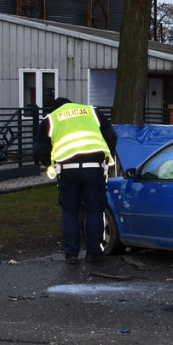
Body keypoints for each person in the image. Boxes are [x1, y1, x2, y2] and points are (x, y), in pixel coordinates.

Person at [33, 97, 117, 264]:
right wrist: (106, 157)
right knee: (95, 209)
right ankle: (94, 252)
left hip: (67, 171)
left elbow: (39, 150)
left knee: (70, 211)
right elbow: (111, 136)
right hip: (94, 168)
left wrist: (51, 165)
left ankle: (71, 254)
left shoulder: (51, 119)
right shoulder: (92, 112)